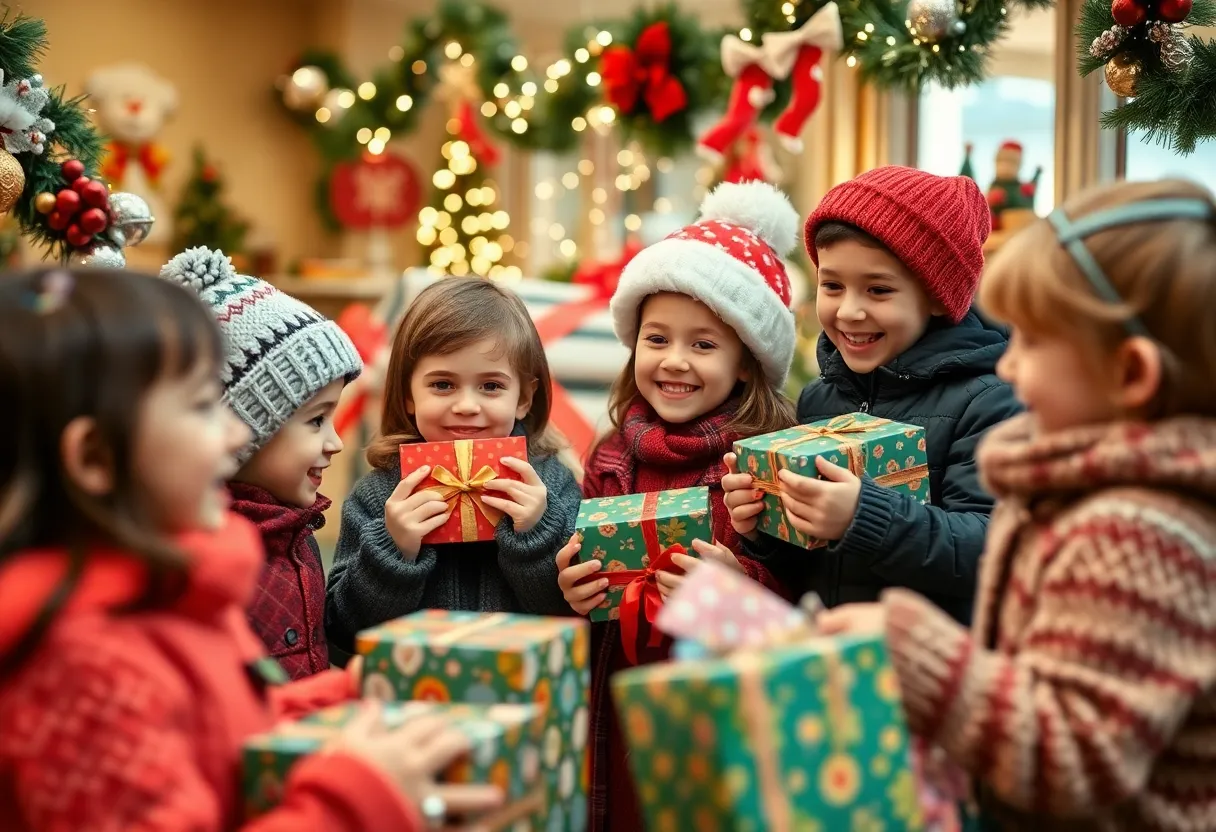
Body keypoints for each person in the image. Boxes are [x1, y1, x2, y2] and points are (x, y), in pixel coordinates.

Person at [0, 268, 503, 831]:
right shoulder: (81, 670)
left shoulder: (181, 585)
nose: (238, 435)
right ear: (95, 457)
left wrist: (342, 693)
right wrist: (358, 797)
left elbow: (219, 730)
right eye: (200, 408)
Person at [819, 179, 1216, 829]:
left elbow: (1070, 757)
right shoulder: (1074, 494)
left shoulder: (1138, 534)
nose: (1006, 366)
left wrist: (914, 650)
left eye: (1030, 342)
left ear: (1130, 375)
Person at [554, 180, 799, 831]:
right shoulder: (610, 454)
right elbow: (582, 578)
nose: (675, 362)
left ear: (747, 363)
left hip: (718, 714)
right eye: (657, 339)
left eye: (704, 345)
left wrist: (736, 584)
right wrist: (572, 588)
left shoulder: (765, 464)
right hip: (616, 702)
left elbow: (799, 610)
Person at [723, 165, 1021, 624]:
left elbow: (992, 549)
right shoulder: (820, 400)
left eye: (878, 290)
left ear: (939, 298)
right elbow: (811, 563)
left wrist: (864, 516)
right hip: (833, 662)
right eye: (832, 285)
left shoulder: (987, 401)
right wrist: (766, 527)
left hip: (925, 670)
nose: (849, 311)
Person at [326, 277, 578, 661]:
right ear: (409, 396)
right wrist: (392, 551)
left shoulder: (553, 485)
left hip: (526, 699)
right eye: (443, 384)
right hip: (414, 705)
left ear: (524, 398)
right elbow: (344, 636)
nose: (466, 405)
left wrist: (538, 534)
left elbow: (576, 617)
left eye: (491, 386)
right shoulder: (378, 497)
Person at [160, 247, 360, 680]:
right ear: (246, 427)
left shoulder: (298, 534)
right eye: (316, 420)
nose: (337, 443)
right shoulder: (198, 556)